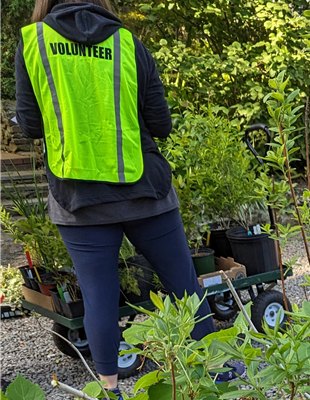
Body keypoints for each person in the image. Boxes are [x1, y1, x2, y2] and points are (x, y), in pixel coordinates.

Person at [14, 1, 241, 396]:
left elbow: (31, 125)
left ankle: (110, 389)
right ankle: (213, 373)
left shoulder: (32, 43)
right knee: (185, 285)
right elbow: (161, 123)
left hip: (77, 198)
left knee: (99, 295)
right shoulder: (126, 42)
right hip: (144, 192)